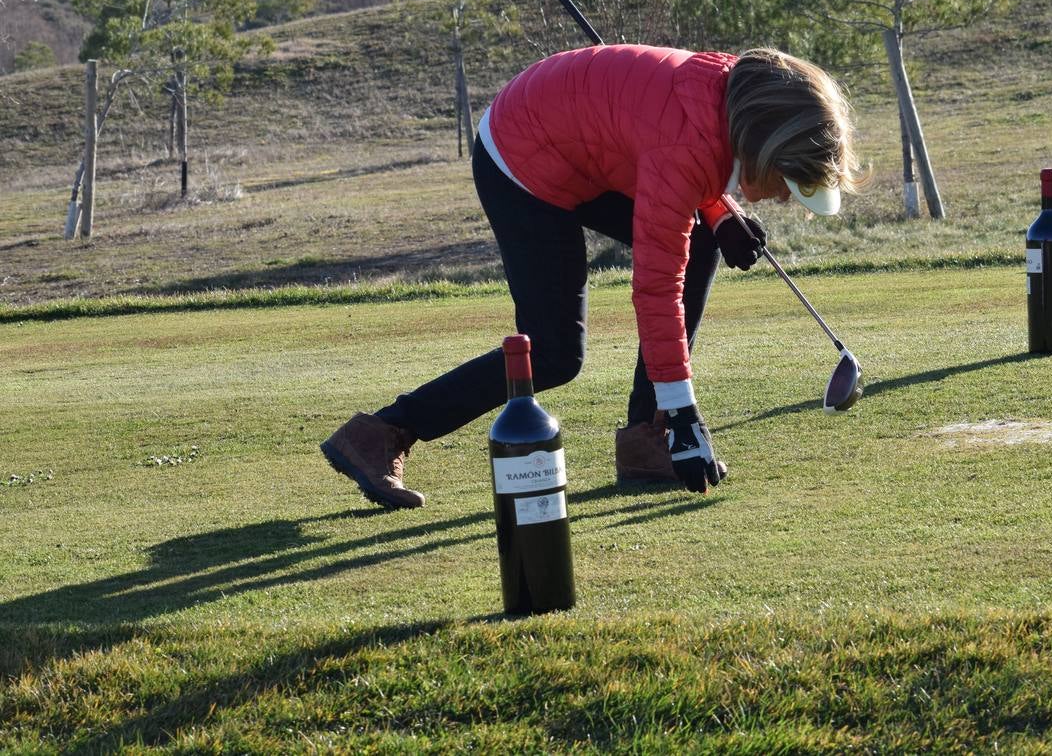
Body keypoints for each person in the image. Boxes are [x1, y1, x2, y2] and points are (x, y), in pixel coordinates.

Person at [320, 44, 865, 508]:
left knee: (701, 238)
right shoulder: (686, 146)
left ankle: (643, 440)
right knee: (556, 351)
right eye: (787, 182)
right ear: (766, 147)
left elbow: (679, 150)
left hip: (577, 142)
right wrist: (683, 415)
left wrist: (719, 211)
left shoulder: (728, 101)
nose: (784, 199)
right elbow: (656, 287)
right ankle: (382, 431)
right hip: (521, 157)